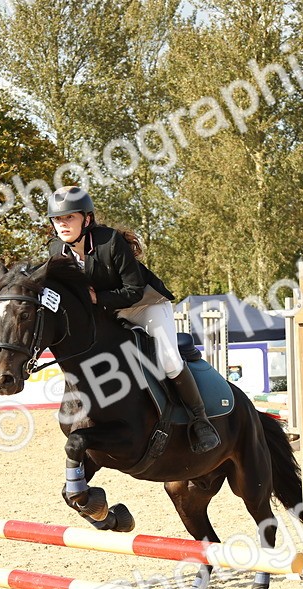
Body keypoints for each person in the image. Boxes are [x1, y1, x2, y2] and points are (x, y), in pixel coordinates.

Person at [46, 186, 219, 453]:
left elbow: (134, 290)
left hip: (144, 305)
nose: (63, 224)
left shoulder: (109, 242)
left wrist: (96, 298)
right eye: (58, 219)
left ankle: (200, 420)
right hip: (108, 311)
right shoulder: (56, 249)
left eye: (69, 217)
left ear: (87, 219)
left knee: (169, 359)